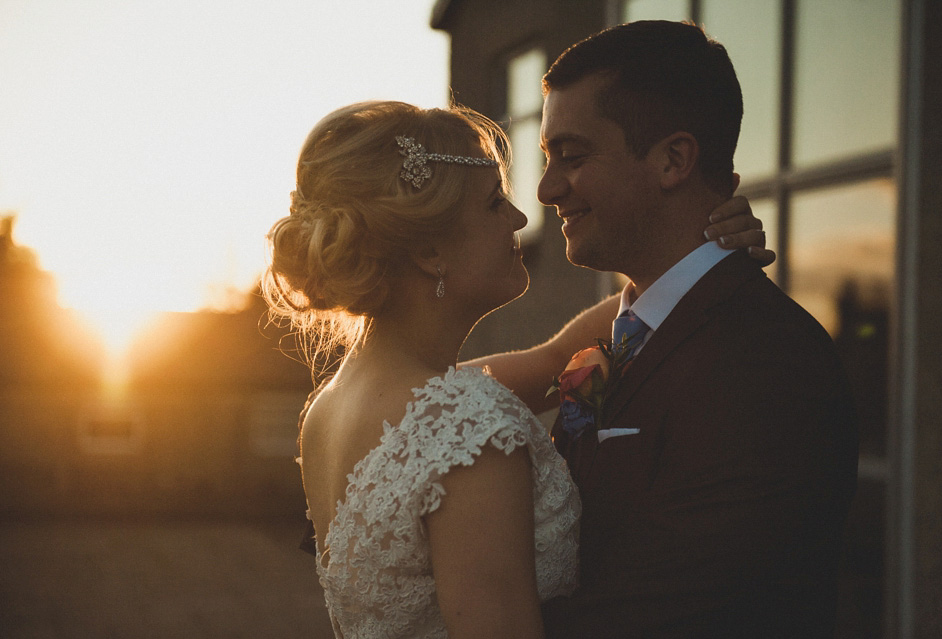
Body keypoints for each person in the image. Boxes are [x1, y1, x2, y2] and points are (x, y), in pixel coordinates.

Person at [266, 99, 769, 638]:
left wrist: (687, 258)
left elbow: (553, 361)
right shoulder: (467, 429)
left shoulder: (333, 408)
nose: (520, 218)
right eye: (493, 203)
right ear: (431, 250)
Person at [487, 20, 857, 638]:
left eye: (571, 157)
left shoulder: (765, 366)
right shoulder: (636, 329)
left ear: (673, 160)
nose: (546, 189)